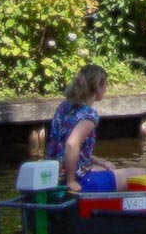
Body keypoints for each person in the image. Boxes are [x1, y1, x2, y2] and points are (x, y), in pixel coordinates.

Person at [46, 63, 122, 193]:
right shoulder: (89, 114)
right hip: (78, 179)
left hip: (55, 173)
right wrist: (71, 181)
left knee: (109, 166)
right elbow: (71, 144)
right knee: (138, 173)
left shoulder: (65, 106)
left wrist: (99, 161)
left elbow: (67, 146)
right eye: (105, 85)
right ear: (98, 86)